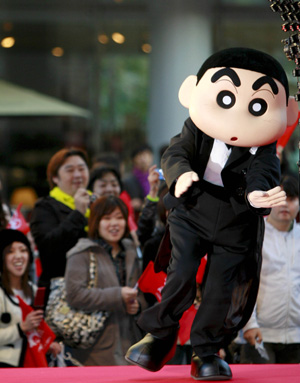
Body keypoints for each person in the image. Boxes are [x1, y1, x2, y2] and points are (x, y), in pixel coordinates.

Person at [125, 47, 298, 380]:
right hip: (193, 208)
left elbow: (264, 173)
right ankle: (159, 335)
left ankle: (206, 351)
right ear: (192, 91)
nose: (238, 118)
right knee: (182, 271)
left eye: (258, 106)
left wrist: (257, 194)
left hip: (237, 221)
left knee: (221, 287)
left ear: (287, 113)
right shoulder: (194, 129)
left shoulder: (265, 150)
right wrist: (181, 175)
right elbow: (175, 153)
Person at [64, 195, 147, 366]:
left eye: (119, 218)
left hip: (131, 342)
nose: (114, 224)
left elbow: (142, 291)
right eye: (107, 218)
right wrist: (118, 295)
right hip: (95, 349)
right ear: (95, 221)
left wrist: (138, 305)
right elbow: (75, 295)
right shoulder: (82, 253)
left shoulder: (131, 250)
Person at [241, 175, 300, 364]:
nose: (284, 204)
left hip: (297, 337)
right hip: (260, 334)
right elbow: (244, 283)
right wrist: (249, 324)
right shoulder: (255, 235)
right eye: (279, 198)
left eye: (290, 199)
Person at [30, 148, 90, 295]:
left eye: (81, 169)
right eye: (69, 170)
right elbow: (48, 246)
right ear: (55, 178)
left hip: (95, 289)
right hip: (61, 292)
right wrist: (78, 214)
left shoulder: (96, 203)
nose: (77, 175)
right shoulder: (45, 207)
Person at [0, 229, 60, 367]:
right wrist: (21, 328)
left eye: (23, 250)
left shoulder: (33, 290)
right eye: (10, 251)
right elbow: (25, 328)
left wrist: (48, 344)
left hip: (32, 367)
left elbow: (35, 332)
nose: (18, 256)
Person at [88, 166, 139, 246]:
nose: (109, 189)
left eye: (114, 185)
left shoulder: (124, 212)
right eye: (103, 185)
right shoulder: (85, 213)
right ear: (91, 189)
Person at [123, 144, 154, 219]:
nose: (144, 159)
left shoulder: (158, 178)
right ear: (133, 159)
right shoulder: (127, 181)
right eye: (140, 156)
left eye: (147, 155)